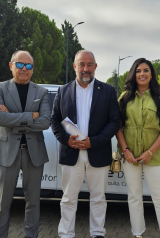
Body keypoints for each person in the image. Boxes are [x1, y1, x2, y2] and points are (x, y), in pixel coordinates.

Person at [51, 50, 120, 238]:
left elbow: (114, 122)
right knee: (68, 199)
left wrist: (93, 141)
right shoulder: (62, 91)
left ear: (96, 67)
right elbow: (54, 120)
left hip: (97, 152)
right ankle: (66, 234)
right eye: (81, 64)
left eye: (90, 64)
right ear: (74, 67)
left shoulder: (108, 91)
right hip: (71, 153)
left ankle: (97, 233)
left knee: (98, 198)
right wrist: (66, 139)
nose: (85, 68)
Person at [115, 58, 160, 238]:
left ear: (151, 74)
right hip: (130, 156)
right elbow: (117, 126)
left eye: (145, 70)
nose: (142, 74)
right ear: (133, 75)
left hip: (155, 156)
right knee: (134, 196)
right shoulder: (124, 97)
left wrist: (150, 152)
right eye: (138, 71)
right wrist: (126, 150)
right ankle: (137, 233)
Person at [0, 50, 51, 238]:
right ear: (11, 65)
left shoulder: (42, 92)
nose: (24, 69)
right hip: (7, 152)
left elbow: (45, 122)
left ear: (33, 69)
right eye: (20, 65)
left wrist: (12, 118)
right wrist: (30, 116)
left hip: (34, 153)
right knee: (3, 201)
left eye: (29, 66)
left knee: (33, 201)